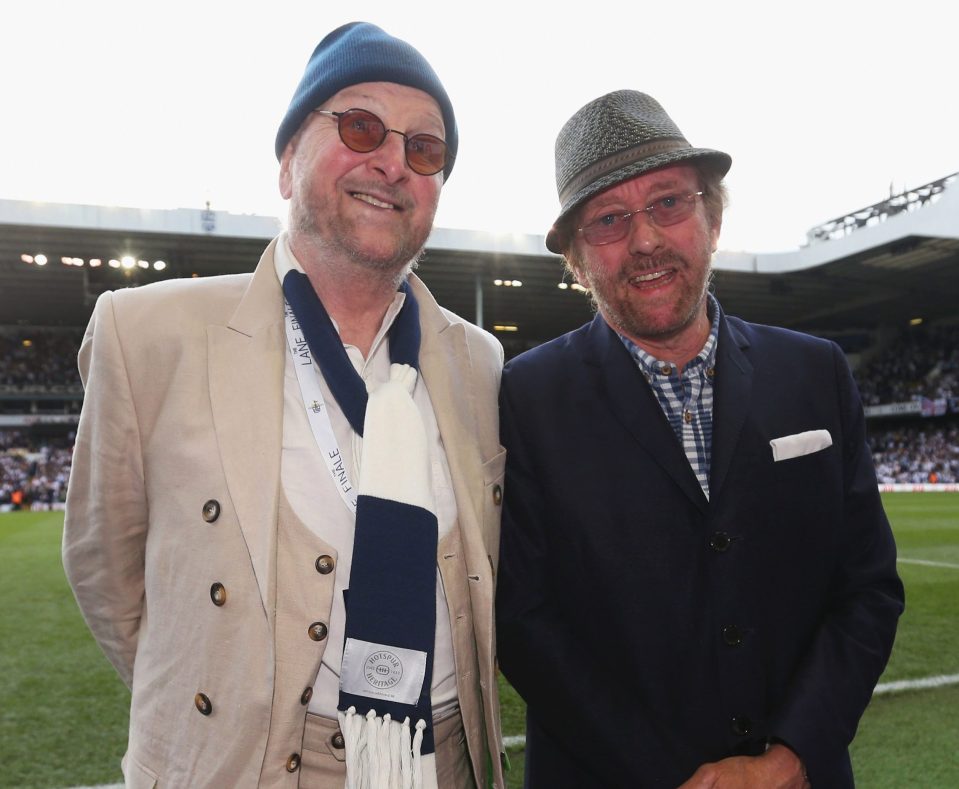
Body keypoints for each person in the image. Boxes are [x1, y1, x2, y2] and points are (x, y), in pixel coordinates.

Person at [63, 22, 506, 789]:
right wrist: (218, 710)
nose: (393, 162)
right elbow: (105, 566)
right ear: (286, 161)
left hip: (442, 765)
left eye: (425, 149)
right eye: (360, 126)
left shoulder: (480, 360)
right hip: (242, 765)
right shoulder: (148, 331)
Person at [495, 90, 904, 787]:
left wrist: (789, 756)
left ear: (711, 218)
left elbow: (866, 588)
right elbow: (526, 623)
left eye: (667, 203)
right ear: (575, 257)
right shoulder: (523, 396)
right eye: (609, 219)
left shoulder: (814, 372)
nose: (646, 240)